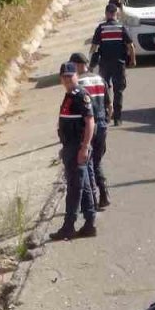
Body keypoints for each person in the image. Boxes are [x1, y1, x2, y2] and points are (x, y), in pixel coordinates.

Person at [49, 62, 96, 241]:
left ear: (76, 76)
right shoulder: (69, 96)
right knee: (82, 186)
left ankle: (69, 226)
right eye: (64, 77)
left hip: (77, 146)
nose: (67, 80)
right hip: (70, 146)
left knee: (74, 187)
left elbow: (90, 121)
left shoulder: (79, 95)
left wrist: (84, 147)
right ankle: (89, 223)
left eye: (70, 76)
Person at [70, 52, 111, 208]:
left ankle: (93, 198)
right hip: (102, 125)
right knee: (97, 161)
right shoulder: (100, 79)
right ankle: (104, 193)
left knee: (86, 163)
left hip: (87, 126)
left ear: (78, 65)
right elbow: (109, 105)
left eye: (72, 66)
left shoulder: (77, 83)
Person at [90, 3, 136, 126]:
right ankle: (118, 118)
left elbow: (93, 47)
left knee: (104, 89)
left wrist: (91, 63)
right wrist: (133, 60)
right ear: (116, 14)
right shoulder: (121, 28)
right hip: (119, 64)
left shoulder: (101, 28)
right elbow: (130, 46)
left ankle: (105, 115)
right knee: (118, 90)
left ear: (106, 14)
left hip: (104, 64)